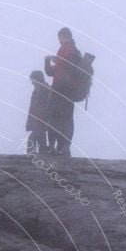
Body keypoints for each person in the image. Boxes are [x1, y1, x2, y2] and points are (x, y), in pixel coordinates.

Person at [44, 27, 81, 156]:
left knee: (54, 118)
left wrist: (53, 60)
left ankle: (55, 146)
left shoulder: (67, 48)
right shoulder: (74, 51)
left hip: (60, 91)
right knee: (67, 120)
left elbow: (59, 69)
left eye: (59, 38)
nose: (59, 41)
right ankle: (64, 147)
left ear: (63, 36)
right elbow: (52, 71)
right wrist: (50, 61)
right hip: (69, 93)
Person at [25, 70, 51, 155]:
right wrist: (29, 122)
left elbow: (49, 106)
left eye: (33, 80)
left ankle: (32, 158)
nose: (32, 83)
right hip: (36, 121)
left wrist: (45, 119)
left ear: (38, 79)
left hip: (42, 120)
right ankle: (40, 158)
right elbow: (31, 108)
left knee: (33, 139)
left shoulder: (47, 90)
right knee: (40, 140)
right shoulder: (35, 91)